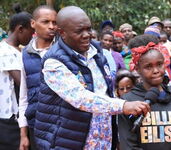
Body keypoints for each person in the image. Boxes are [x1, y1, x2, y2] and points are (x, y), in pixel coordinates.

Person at [33, 6, 150, 149]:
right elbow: (80, 97)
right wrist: (123, 105)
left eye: (88, 29)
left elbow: (106, 91)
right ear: (62, 33)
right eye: (79, 31)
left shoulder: (96, 52)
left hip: (102, 140)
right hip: (69, 141)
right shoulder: (53, 62)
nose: (87, 35)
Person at [118, 40, 171, 150]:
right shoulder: (128, 102)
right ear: (138, 69)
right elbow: (128, 145)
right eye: (148, 67)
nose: (156, 71)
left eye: (159, 64)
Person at [18, 6, 57, 150]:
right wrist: (23, 135)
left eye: (54, 22)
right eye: (45, 22)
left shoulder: (63, 51)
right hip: (36, 127)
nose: (51, 26)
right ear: (33, 24)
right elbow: (23, 98)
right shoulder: (25, 55)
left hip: (61, 127)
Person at [0, 7, 34, 150]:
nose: (32, 37)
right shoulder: (6, 52)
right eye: (31, 33)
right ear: (20, 29)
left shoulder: (15, 50)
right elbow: (23, 84)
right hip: (8, 118)